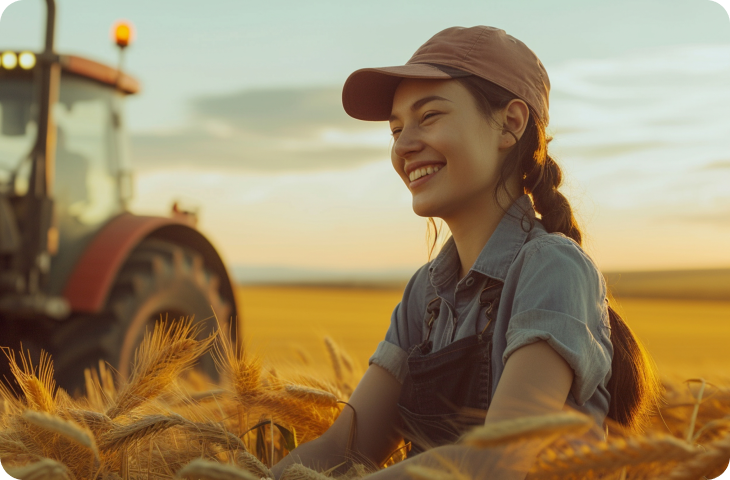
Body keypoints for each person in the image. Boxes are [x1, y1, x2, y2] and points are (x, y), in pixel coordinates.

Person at [271, 25, 663, 480]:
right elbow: (344, 446)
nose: (403, 144)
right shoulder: (426, 293)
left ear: (510, 124)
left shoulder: (553, 268)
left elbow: (493, 461)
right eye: (396, 128)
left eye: (429, 116)